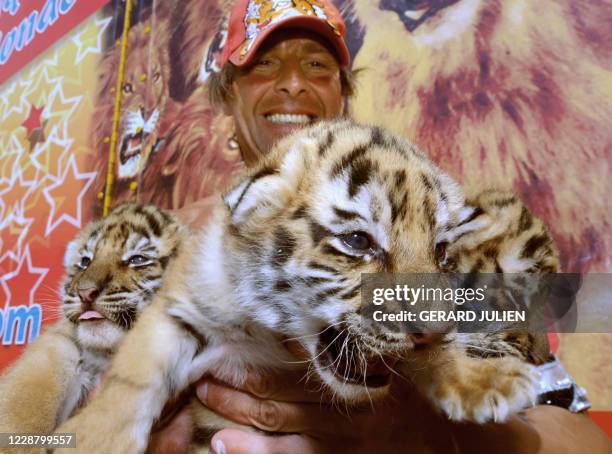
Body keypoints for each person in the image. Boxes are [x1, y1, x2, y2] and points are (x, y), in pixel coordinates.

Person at [154, 0, 611, 453]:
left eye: (317, 66)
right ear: (228, 92)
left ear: (343, 94)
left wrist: (436, 433)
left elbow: (582, 436)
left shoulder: (452, 237)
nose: (292, 84)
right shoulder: (159, 246)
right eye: (264, 64)